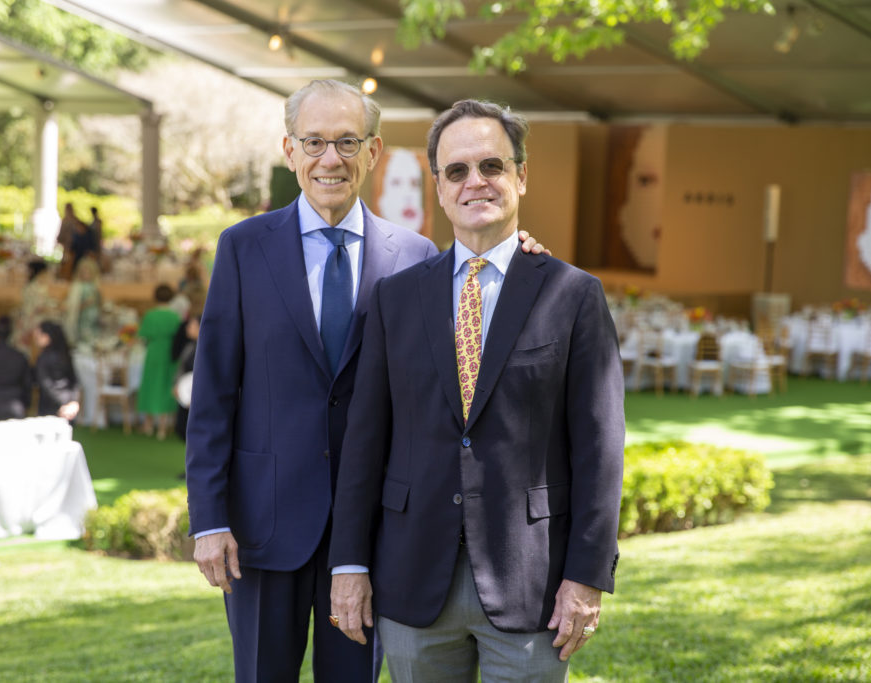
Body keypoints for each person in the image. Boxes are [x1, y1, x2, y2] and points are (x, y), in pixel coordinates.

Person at [184, 79, 545, 683]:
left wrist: (522, 253)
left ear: (374, 152)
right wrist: (210, 519)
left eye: (348, 142)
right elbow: (214, 394)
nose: (332, 159)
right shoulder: (243, 249)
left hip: (375, 529)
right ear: (289, 149)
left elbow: (476, 297)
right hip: (261, 527)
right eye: (315, 142)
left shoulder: (418, 255)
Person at [328, 99, 625, 682]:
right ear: (438, 186)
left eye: (491, 165)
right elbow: (365, 444)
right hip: (413, 579)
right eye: (457, 170)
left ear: (520, 175)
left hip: (531, 582)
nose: (475, 182)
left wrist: (587, 577)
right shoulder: (397, 299)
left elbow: (601, 448)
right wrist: (349, 564)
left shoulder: (574, 295)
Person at [137, 284, 182, 440]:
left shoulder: (150, 315)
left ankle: (148, 424)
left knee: (150, 385)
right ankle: (163, 427)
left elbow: (143, 335)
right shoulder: (175, 316)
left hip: (154, 352)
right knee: (165, 386)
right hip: (169, 353)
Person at [34, 320, 80, 420]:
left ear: (47, 336)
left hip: (50, 404)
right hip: (67, 400)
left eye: (38, 336)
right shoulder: (65, 355)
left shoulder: (44, 357)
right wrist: (73, 401)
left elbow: (45, 383)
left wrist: (62, 404)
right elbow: (74, 380)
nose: (36, 339)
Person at [17, 260, 59, 352]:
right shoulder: (38, 288)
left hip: (28, 318)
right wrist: (54, 309)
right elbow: (38, 308)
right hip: (35, 320)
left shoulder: (30, 286)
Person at [64, 256, 102, 346]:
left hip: (93, 322)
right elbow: (73, 307)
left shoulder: (94, 286)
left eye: (88, 272)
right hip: (81, 322)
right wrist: (86, 304)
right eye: (84, 272)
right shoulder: (77, 287)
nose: (86, 274)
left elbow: (99, 303)